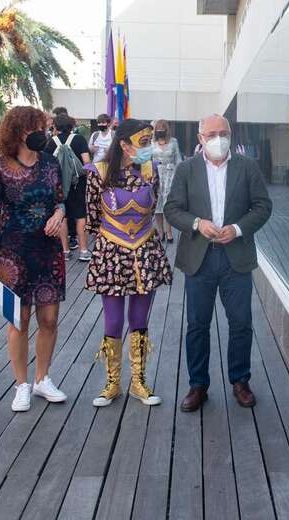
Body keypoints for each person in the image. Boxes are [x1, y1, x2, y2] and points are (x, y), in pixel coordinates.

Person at [164, 114, 272, 412]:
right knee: (197, 324)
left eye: (223, 133)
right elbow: (172, 209)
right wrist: (197, 223)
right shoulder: (187, 169)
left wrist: (237, 229)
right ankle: (198, 385)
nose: (217, 139)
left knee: (241, 323)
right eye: (211, 134)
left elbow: (263, 206)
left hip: (236, 257)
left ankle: (240, 380)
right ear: (200, 139)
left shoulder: (247, 166)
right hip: (199, 258)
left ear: (231, 134)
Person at [0, 106, 67, 412]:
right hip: (11, 255)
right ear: (18, 130)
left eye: (44, 127)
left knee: (49, 319)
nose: (42, 133)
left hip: (48, 252)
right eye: (36, 127)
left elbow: (60, 201)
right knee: (19, 320)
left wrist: (58, 215)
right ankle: (22, 385)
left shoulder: (51, 163)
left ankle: (43, 379)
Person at [84, 119, 173, 407]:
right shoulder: (97, 173)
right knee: (112, 319)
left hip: (145, 252)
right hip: (112, 253)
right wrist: (113, 242)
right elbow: (93, 217)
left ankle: (138, 381)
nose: (147, 148)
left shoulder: (150, 170)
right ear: (124, 144)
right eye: (143, 142)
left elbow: (154, 206)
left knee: (139, 319)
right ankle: (112, 383)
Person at [44, 113, 92, 261]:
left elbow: (46, 164)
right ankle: (83, 250)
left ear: (55, 126)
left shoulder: (51, 142)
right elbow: (87, 162)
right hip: (78, 183)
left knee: (62, 215)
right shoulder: (79, 139)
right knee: (80, 216)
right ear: (71, 126)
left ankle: (65, 251)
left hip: (58, 184)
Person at [151, 119, 182, 242]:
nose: (160, 131)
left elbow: (178, 159)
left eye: (162, 129)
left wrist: (178, 176)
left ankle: (169, 231)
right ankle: (160, 231)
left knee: (167, 205)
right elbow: (147, 159)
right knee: (158, 204)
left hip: (170, 174)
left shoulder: (174, 142)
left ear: (167, 130)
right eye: (158, 129)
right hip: (156, 175)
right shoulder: (151, 143)